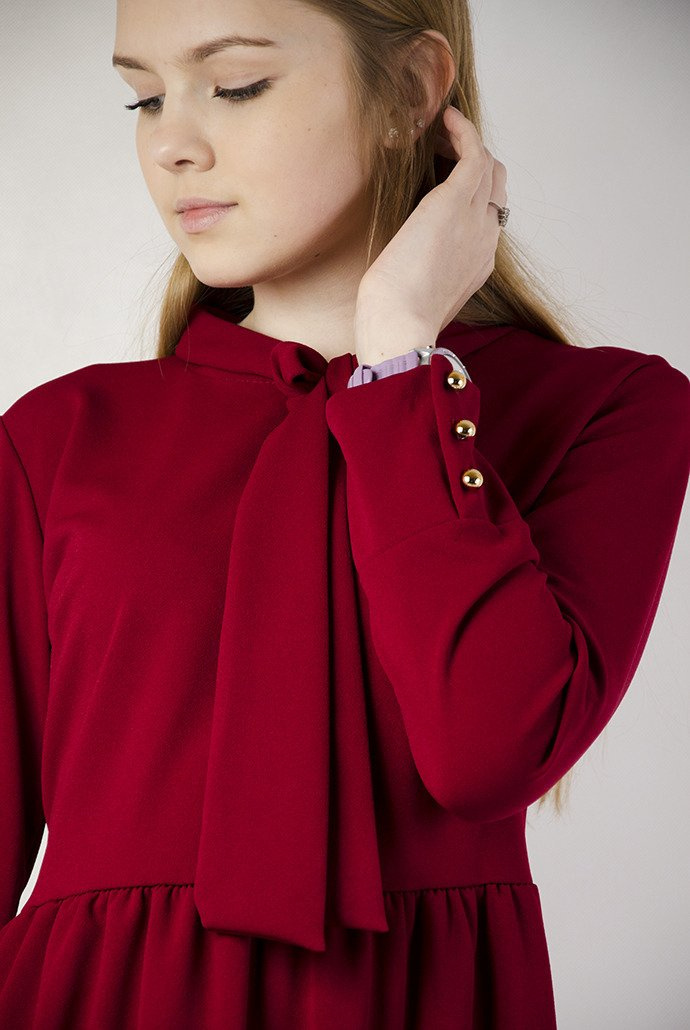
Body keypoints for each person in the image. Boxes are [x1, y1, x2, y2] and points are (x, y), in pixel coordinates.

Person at [1, 0, 688, 1027]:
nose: (172, 145)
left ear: (410, 89)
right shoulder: (55, 440)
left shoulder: (607, 410)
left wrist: (401, 357)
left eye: (235, 85)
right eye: (143, 98)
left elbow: (488, 750)